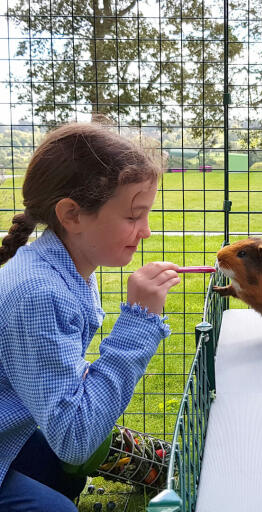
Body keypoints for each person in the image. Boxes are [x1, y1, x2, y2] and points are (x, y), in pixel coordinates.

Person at [0, 122, 181, 511]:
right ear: (72, 215)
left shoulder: (63, 266)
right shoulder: (38, 291)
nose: (145, 231)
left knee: (72, 464)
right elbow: (75, 434)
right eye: (134, 216)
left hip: (14, 427)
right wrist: (138, 324)